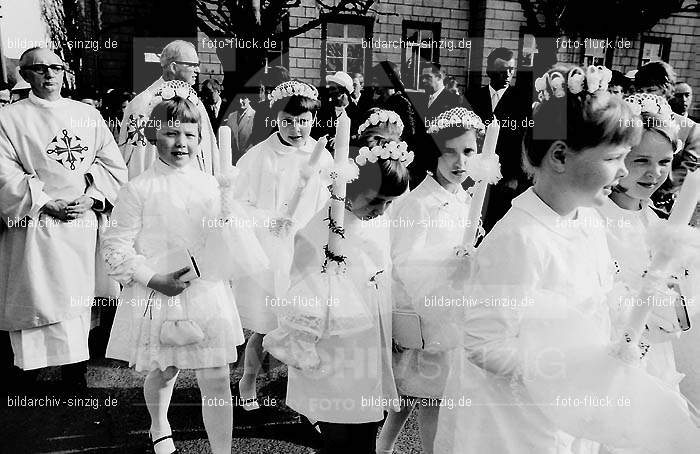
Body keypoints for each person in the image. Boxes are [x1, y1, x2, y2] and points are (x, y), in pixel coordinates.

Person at [434, 64, 643, 453]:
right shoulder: (519, 239)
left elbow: (601, 296)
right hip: (515, 425)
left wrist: (628, 321)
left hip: (569, 410)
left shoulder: (590, 221)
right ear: (560, 155)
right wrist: (568, 366)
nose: (624, 171)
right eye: (615, 157)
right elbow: (484, 344)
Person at [103, 90, 253, 454]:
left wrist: (232, 222)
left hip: (207, 292)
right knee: (165, 370)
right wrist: (154, 279)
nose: (181, 142)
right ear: (154, 136)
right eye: (171, 133)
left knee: (216, 377)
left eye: (189, 134)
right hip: (159, 291)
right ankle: (159, 423)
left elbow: (229, 236)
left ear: (200, 139)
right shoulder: (138, 189)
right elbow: (115, 248)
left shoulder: (213, 185)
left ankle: (222, 450)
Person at [282, 108, 410, 454]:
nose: (382, 210)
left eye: (389, 203)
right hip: (334, 344)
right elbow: (300, 284)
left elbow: (388, 269)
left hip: (370, 339)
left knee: (367, 422)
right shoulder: (321, 230)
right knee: (339, 428)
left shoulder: (377, 222)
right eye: (377, 201)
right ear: (349, 187)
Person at [0, 47, 127, 387]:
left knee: (77, 298)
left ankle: (75, 369)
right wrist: (43, 200)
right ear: (26, 76)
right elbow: (3, 172)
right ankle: (28, 370)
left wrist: (92, 197)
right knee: (38, 295)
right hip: (35, 222)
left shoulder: (85, 115)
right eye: (39, 69)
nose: (49, 75)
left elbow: (111, 163)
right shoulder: (9, 118)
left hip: (79, 222)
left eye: (56, 67)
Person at [377, 107, 484, 454]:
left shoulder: (464, 198)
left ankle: (384, 446)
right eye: (448, 151)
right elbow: (405, 261)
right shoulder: (419, 203)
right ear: (434, 153)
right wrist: (451, 260)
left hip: (453, 308)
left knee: (416, 392)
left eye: (468, 151)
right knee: (430, 397)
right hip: (425, 314)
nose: (459, 161)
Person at [233, 80, 333, 410]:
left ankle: (302, 397)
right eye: (287, 120)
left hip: (308, 251)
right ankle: (248, 382)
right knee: (267, 326)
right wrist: (268, 219)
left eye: (303, 120)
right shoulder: (258, 156)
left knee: (306, 327)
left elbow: (329, 202)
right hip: (272, 250)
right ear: (276, 117)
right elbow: (238, 204)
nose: (295, 128)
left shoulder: (322, 156)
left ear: (313, 119)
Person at [597, 93, 688, 391]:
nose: (655, 172)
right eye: (642, 161)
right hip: (609, 350)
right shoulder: (594, 218)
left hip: (655, 358)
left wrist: (677, 302)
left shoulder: (656, 221)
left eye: (664, 161)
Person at [119, 40, 220, 179]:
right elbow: (137, 157)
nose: (198, 70)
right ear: (173, 67)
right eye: (193, 65)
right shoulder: (143, 103)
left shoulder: (196, 102)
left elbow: (208, 148)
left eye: (198, 65)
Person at [468, 47, 531, 232]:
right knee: (473, 222)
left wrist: (515, 177)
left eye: (511, 70)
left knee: (497, 226)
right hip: (475, 175)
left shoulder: (522, 101)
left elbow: (525, 142)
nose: (507, 75)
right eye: (502, 71)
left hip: (506, 179)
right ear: (489, 71)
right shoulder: (473, 97)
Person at [635, 62, 699, 216]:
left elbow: (687, 172)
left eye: (651, 90)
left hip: (662, 207)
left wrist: (655, 192)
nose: (646, 96)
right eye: (640, 91)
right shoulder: (631, 121)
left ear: (667, 91)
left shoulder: (688, 128)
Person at [312, 71, 358, 148]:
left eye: (333, 88)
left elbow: (356, 134)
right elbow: (316, 131)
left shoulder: (355, 111)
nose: (330, 91)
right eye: (329, 88)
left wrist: (340, 139)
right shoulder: (324, 108)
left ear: (343, 92)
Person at [249, 66, 290, 147]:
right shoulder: (262, 107)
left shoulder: (292, 106)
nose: (268, 90)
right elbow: (256, 136)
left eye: (273, 85)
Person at [225, 93, 256, 164]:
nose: (240, 101)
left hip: (249, 158)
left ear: (249, 99)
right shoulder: (231, 116)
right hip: (233, 159)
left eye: (244, 98)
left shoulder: (255, 115)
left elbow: (256, 139)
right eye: (238, 98)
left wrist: (247, 153)